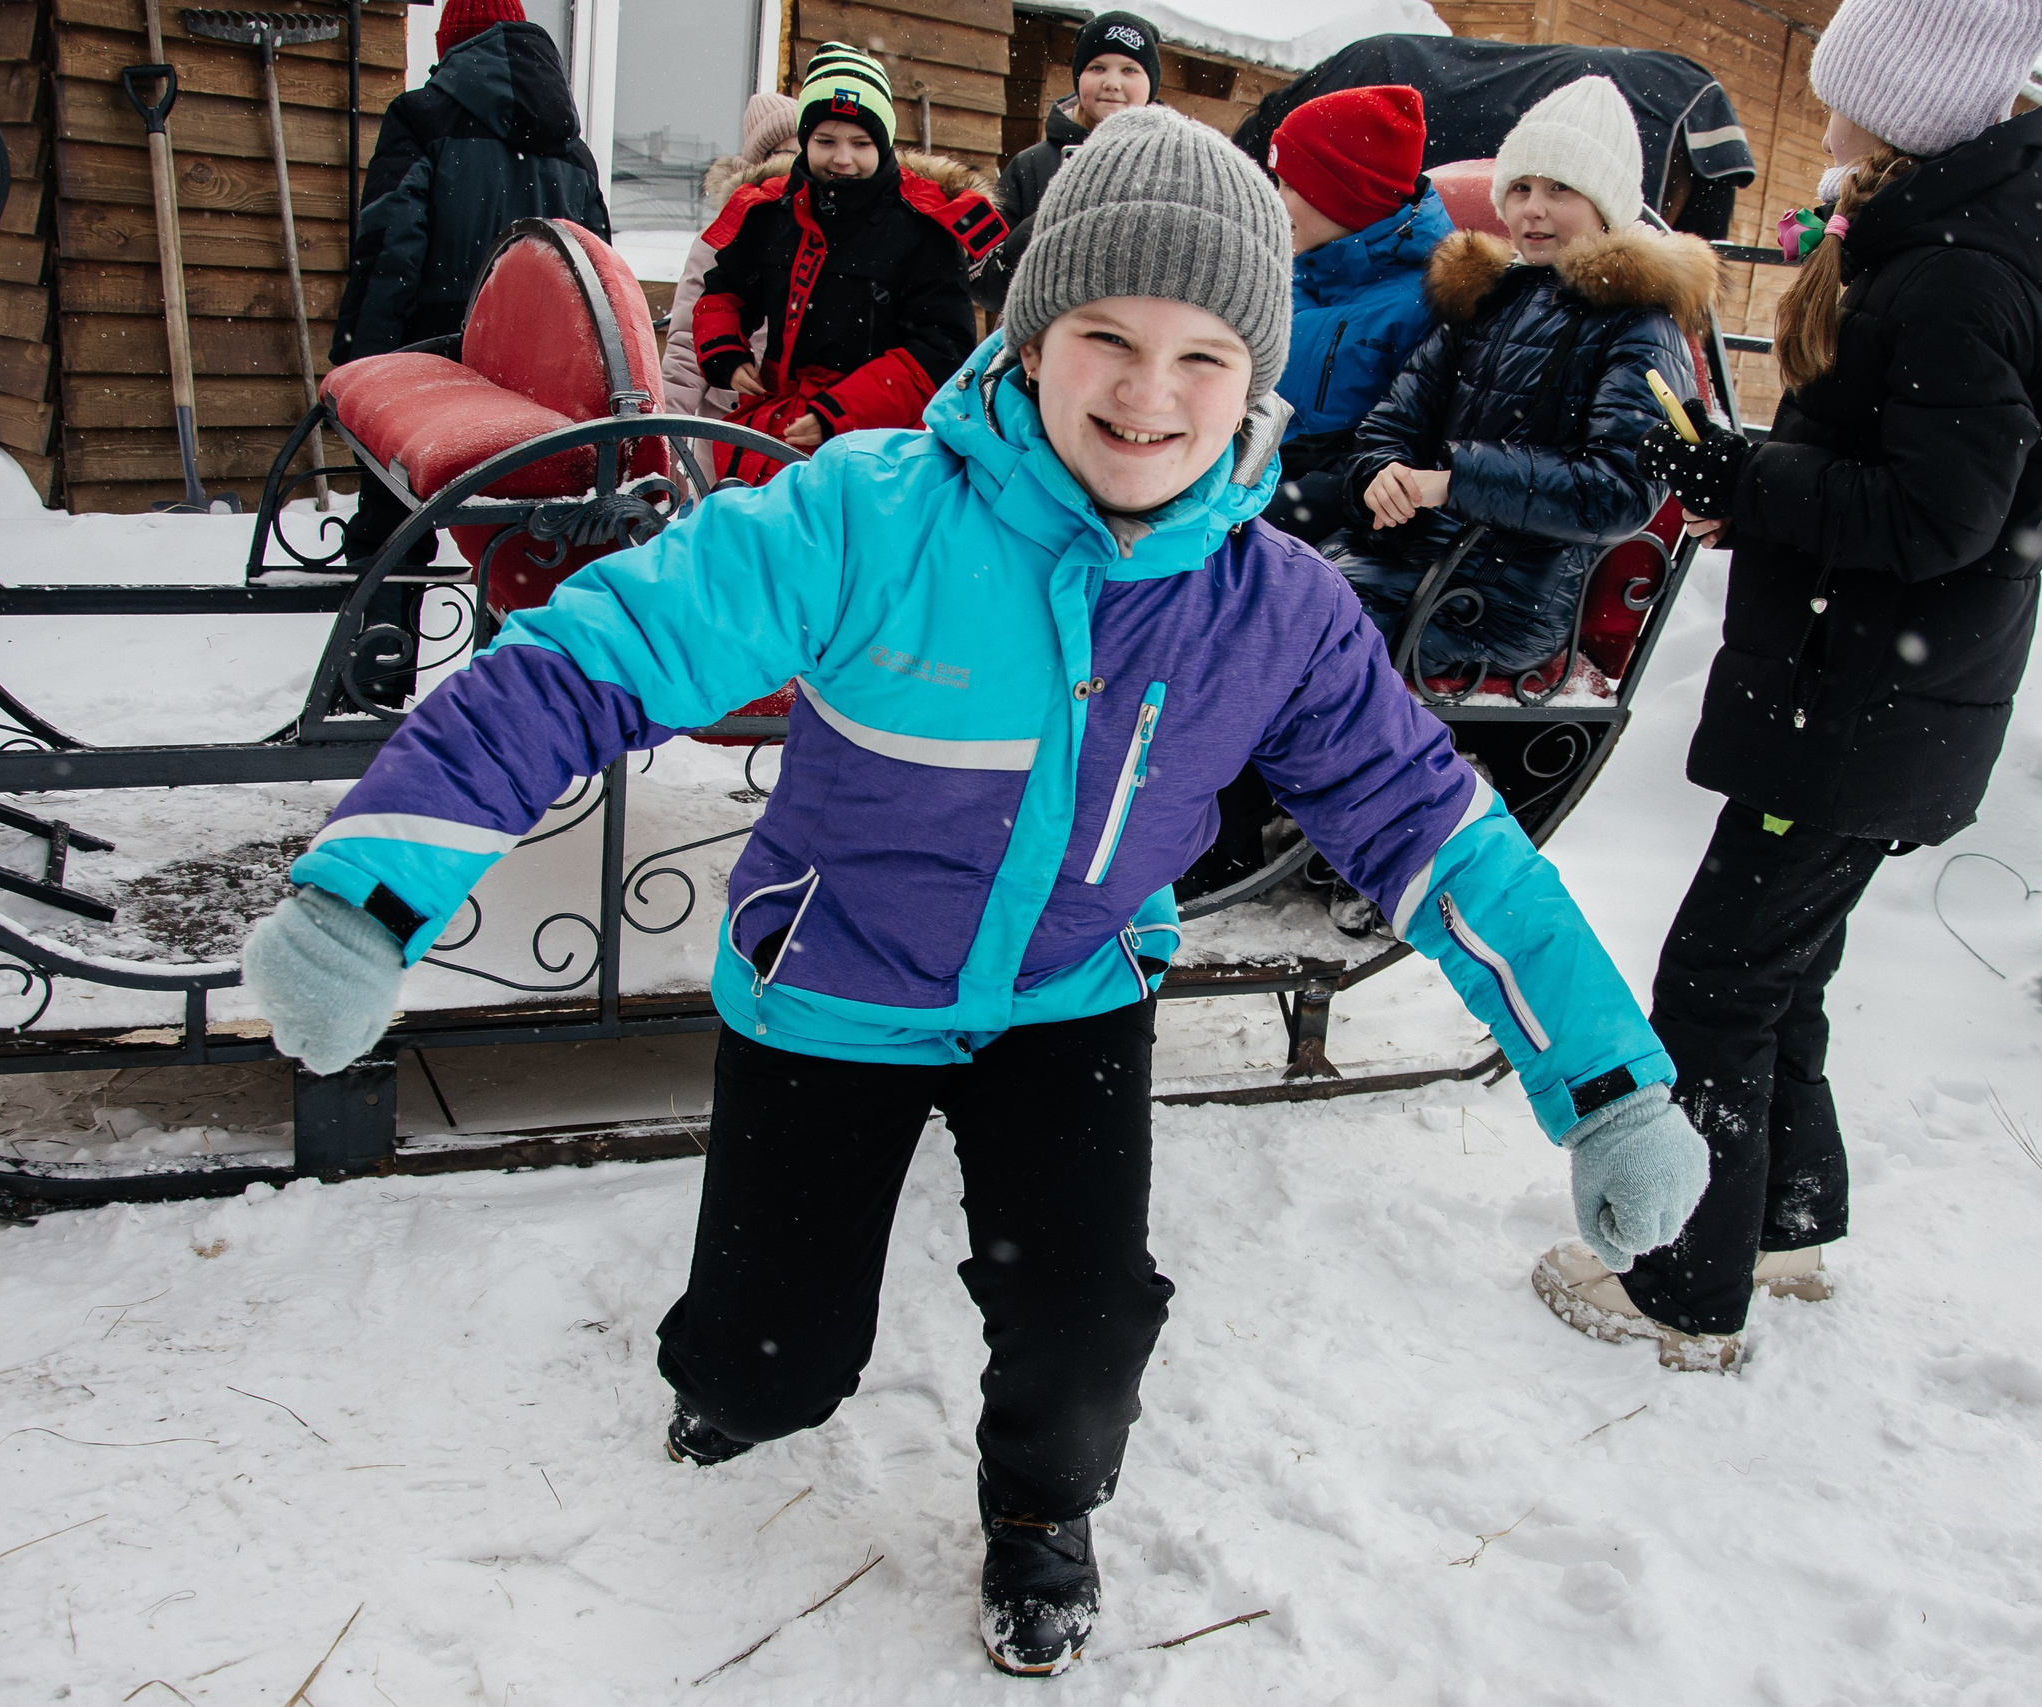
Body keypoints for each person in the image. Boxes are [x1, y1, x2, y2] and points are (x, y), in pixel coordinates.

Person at [240, 107, 1707, 1678]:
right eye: (1107, 336)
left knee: (1084, 1331)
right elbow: (593, 656)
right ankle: (736, 1383)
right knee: (767, 1364)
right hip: (833, 986)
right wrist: (369, 888)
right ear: (1030, 331)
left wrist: (1606, 1081)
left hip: (1069, 990)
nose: (1151, 394)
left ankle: (1040, 1512)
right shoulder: (866, 515)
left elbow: (1442, 835)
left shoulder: (1270, 609)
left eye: (1206, 355)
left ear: (1258, 382)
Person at [1535, 0, 2042, 1370]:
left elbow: (1940, 515)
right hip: (1868, 693)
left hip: (1858, 704)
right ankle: (1786, 1227)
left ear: (1911, 102)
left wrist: (1747, 481)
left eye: (1845, 90)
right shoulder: (1937, 247)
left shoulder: (1958, 276)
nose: (1826, 112)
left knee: (1715, 984)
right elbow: (1902, 486)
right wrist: (1750, 490)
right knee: (1782, 973)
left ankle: (1685, 1289)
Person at [1329, 75, 1719, 684]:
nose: (1531, 208)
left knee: (1305, 638)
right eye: (1520, 187)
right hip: (1402, 559)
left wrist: (1452, 483)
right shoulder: (1486, 299)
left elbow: (1619, 491)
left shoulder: (1639, 325)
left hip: (1506, 598)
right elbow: (1393, 423)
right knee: (1242, 596)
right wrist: (1380, 476)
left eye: (1559, 188)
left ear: (1606, 203)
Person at [332, 0, 606, 572]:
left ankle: (381, 655)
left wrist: (363, 362)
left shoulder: (421, 118)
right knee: (521, 540)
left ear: (451, 48)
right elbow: (592, 269)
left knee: (393, 535)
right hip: (534, 381)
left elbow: (389, 250)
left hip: (431, 362)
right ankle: (507, 658)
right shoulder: (571, 149)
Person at [688, 43, 1002, 484]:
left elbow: (941, 348)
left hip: (879, 443)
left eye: (861, 143)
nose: (842, 158)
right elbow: (726, 291)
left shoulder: (921, 226)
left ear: (884, 144)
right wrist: (724, 351)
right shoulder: (772, 210)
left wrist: (839, 411)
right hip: (774, 424)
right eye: (825, 141)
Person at [1262, 83, 1454, 545]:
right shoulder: (1290, 272)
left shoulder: (1426, 302)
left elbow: (1413, 438)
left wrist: (1309, 494)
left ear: (1344, 197)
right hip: (1249, 470)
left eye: (1289, 186)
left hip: (1330, 512)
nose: (1274, 202)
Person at [972, 10, 1159, 313]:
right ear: (1078, 78)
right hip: (1043, 347)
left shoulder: (1174, 167)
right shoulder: (1030, 166)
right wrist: (1053, 218)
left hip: (1140, 347)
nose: (1112, 82)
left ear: (1152, 83)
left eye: (1130, 70)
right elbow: (987, 287)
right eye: (1097, 68)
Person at [660, 91, 797, 418]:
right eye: (790, 154)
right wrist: (658, 437)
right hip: (729, 430)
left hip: (799, 435)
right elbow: (687, 348)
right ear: (762, 162)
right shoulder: (723, 237)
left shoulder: (827, 233)